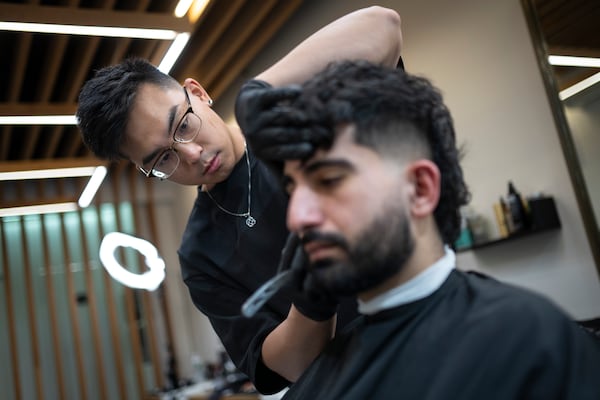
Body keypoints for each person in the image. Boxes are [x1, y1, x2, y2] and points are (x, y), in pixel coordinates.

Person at [75, 6, 403, 394]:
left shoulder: (289, 116)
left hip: (430, 326)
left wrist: (256, 95)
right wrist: (312, 302)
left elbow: (384, 25)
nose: (191, 154)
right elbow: (275, 368)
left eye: (183, 124)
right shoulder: (200, 254)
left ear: (197, 93)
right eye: (163, 159)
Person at [245, 60, 600, 399]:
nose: (297, 218)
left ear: (420, 189)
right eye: (293, 190)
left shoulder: (532, 344)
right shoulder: (318, 381)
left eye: (329, 179)